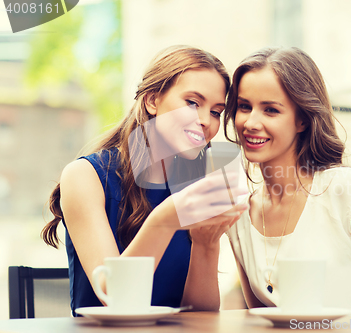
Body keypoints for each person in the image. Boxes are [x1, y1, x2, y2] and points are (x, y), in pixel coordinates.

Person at [223, 47, 351, 320]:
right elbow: (264, 318)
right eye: (244, 106)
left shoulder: (346, 191)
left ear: (302, 119)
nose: (251, 122)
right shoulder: (240, 216)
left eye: (271, 110)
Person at [42, 46, 248, 316]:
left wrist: (206, 245)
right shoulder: (85, 176)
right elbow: (113, 295)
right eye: (192, 103)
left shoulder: (198, 186)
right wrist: (165, 219)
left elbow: (201, 315)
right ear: (152, 101)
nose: (205, 121)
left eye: (215, 112)